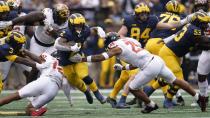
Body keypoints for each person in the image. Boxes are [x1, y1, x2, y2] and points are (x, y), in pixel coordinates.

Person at [69, 32, 203, 113]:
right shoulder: (128, 41)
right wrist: (122, 68)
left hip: (150, 66)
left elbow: (101, 57)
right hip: (156, 60)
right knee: (175, 80)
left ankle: (150, 105)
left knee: (132, 87)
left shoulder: (115, 47)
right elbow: (136, 60)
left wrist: (82, 59)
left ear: (110, 42)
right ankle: (198, 97)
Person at [107, 2, 195, 108]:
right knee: (133, 76)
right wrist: (129, 42)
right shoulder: (129, 21)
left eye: (145, 14)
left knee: (124, 76)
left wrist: (185, 20)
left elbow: (169, 25)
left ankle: (112, 97)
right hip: (128, 50)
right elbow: (120, 34)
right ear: (136, 14)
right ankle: (122, 100)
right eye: (141, 14)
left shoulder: (152, 20)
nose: (144, 16)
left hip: (141, 50)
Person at [54, 13, 106, 104]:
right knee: (74, 81)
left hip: (78, 56)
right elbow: (57, 44)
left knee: (84, 75)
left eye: (81, 25)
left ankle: (97, 92)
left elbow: (92, 29)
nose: (79, 27)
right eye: (77, 25)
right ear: (71, 25)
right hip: (65, 60)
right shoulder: (67, 33)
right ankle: (86, 91)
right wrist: (70, 48)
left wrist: (99, 29)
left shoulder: (85, 30)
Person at [0, 51, 71, 116]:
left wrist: (26, 52)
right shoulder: (65, 68)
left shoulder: (49, 58)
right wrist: (70, 100)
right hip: (54, 90)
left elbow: (37, 59)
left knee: (16, 95)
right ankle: (33, 112)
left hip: (45, 80)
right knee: (29, 109)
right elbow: (65, 85)